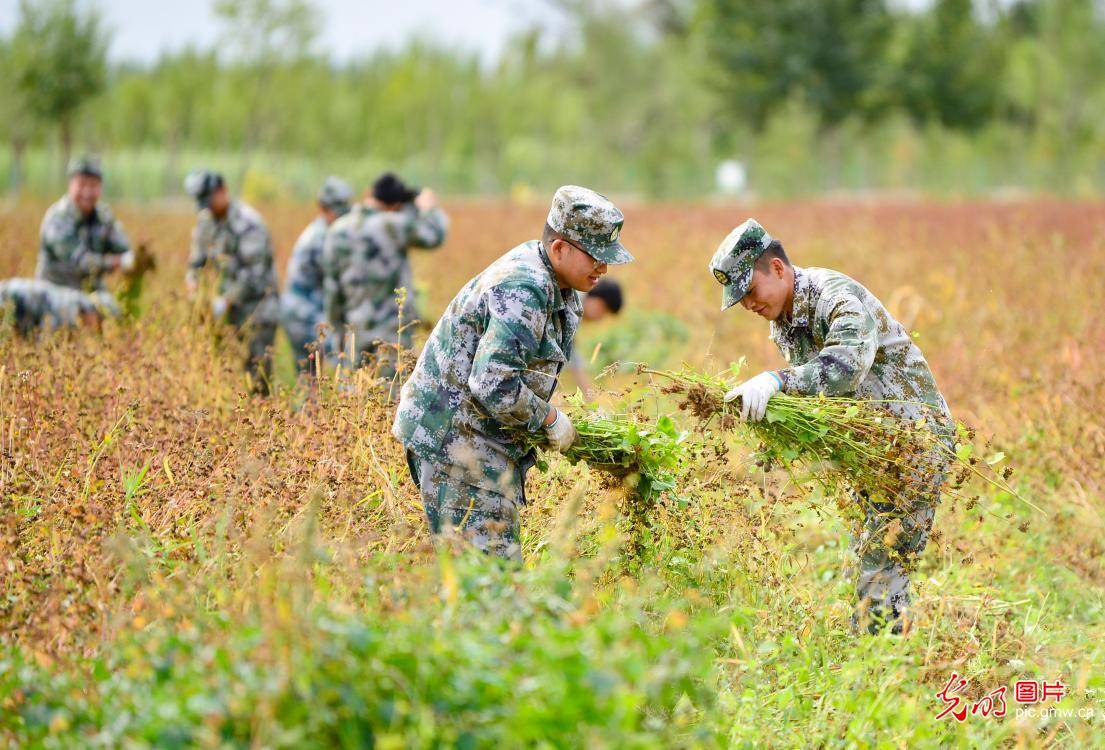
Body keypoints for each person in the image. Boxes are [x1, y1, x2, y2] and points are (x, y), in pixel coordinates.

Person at [709, 218, 952, 635]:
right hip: (871, 449)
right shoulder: (783, 324)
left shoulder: (835, 297)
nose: (747, 304)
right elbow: (821, 401)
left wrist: (778, 381)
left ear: (778, 269)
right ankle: (892, 659)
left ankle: (884, 670)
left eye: (750, 291)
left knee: (881, 566)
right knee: (871, 559)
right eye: (739, 299)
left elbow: (845, 369)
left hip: (912, 440)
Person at [393, 186, 634, 561]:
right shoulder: (525, 286)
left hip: (477, 441)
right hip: (454, 444)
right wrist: (550, 418)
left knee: (484, 582)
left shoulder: (560, 284)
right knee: (489, 584)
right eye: (596, 257)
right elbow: (495, 384)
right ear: (559, 249)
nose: (604, 268)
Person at [322, 172, 448, 379]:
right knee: (391, 397)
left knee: (355, 399)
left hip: (353, 330)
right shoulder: (394, 224)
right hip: (391, 332)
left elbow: (332, 290)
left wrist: (336, 335)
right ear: (395, 205)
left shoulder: (337, 230)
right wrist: (429, 209)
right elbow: (434, 235)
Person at [183, 169, 279, 394]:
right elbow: (196, 262)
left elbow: (254, 275)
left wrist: (224, 301)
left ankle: (260, 420)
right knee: (221, 374)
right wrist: (193, 288)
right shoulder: (206, 221)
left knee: (257, 376)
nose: (208, 208)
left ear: (223, 191)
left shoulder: (248, 223)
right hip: (224, 311)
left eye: (210, 201)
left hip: (257, 309)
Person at [281, 176, 353, 375]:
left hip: (312, 310)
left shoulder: (330, 232)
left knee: (319, 378)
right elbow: (339, 283)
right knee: (314, 377)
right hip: (302, 314)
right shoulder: (319, 238)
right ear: (322, 208)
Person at [37, 155, 134, 292]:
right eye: (82, 184)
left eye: (93, 185)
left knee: (117, 310)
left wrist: (137, 259)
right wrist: (117, 262)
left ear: (100, 187)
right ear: (70, 185)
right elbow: (81, 263)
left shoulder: (104, 216)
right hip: (55, 294)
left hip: (92, 293)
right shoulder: (57, 219)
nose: (87, 192)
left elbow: (124, 248)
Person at [0, 277, 119, 336]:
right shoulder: (71, 308)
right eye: (100, 321)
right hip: (9, 299)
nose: (98, 329)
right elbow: (45, 335)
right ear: (93, 312)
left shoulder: (75, 300)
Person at [568, 278, 624, 398]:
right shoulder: (569, 306)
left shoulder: (574, 308)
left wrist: (591, 399)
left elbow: (572, 356)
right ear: (596, 299)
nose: (600, 318)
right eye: (603, 310)